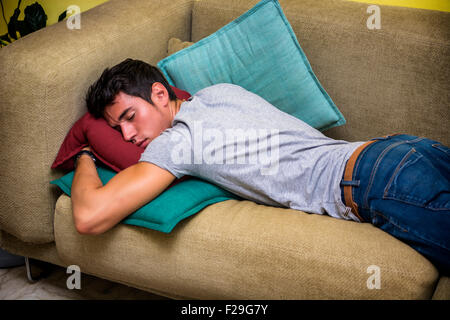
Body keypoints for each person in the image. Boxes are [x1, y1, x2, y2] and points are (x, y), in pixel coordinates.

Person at [72, 58, 450, 274]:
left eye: (129, 116)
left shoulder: (178, 143)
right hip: (401, 150)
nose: (125, 134)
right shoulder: (220, 92)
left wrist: (85, 155)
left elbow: (90, 217)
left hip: (375, 180)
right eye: (115, 128)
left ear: (158, 93)